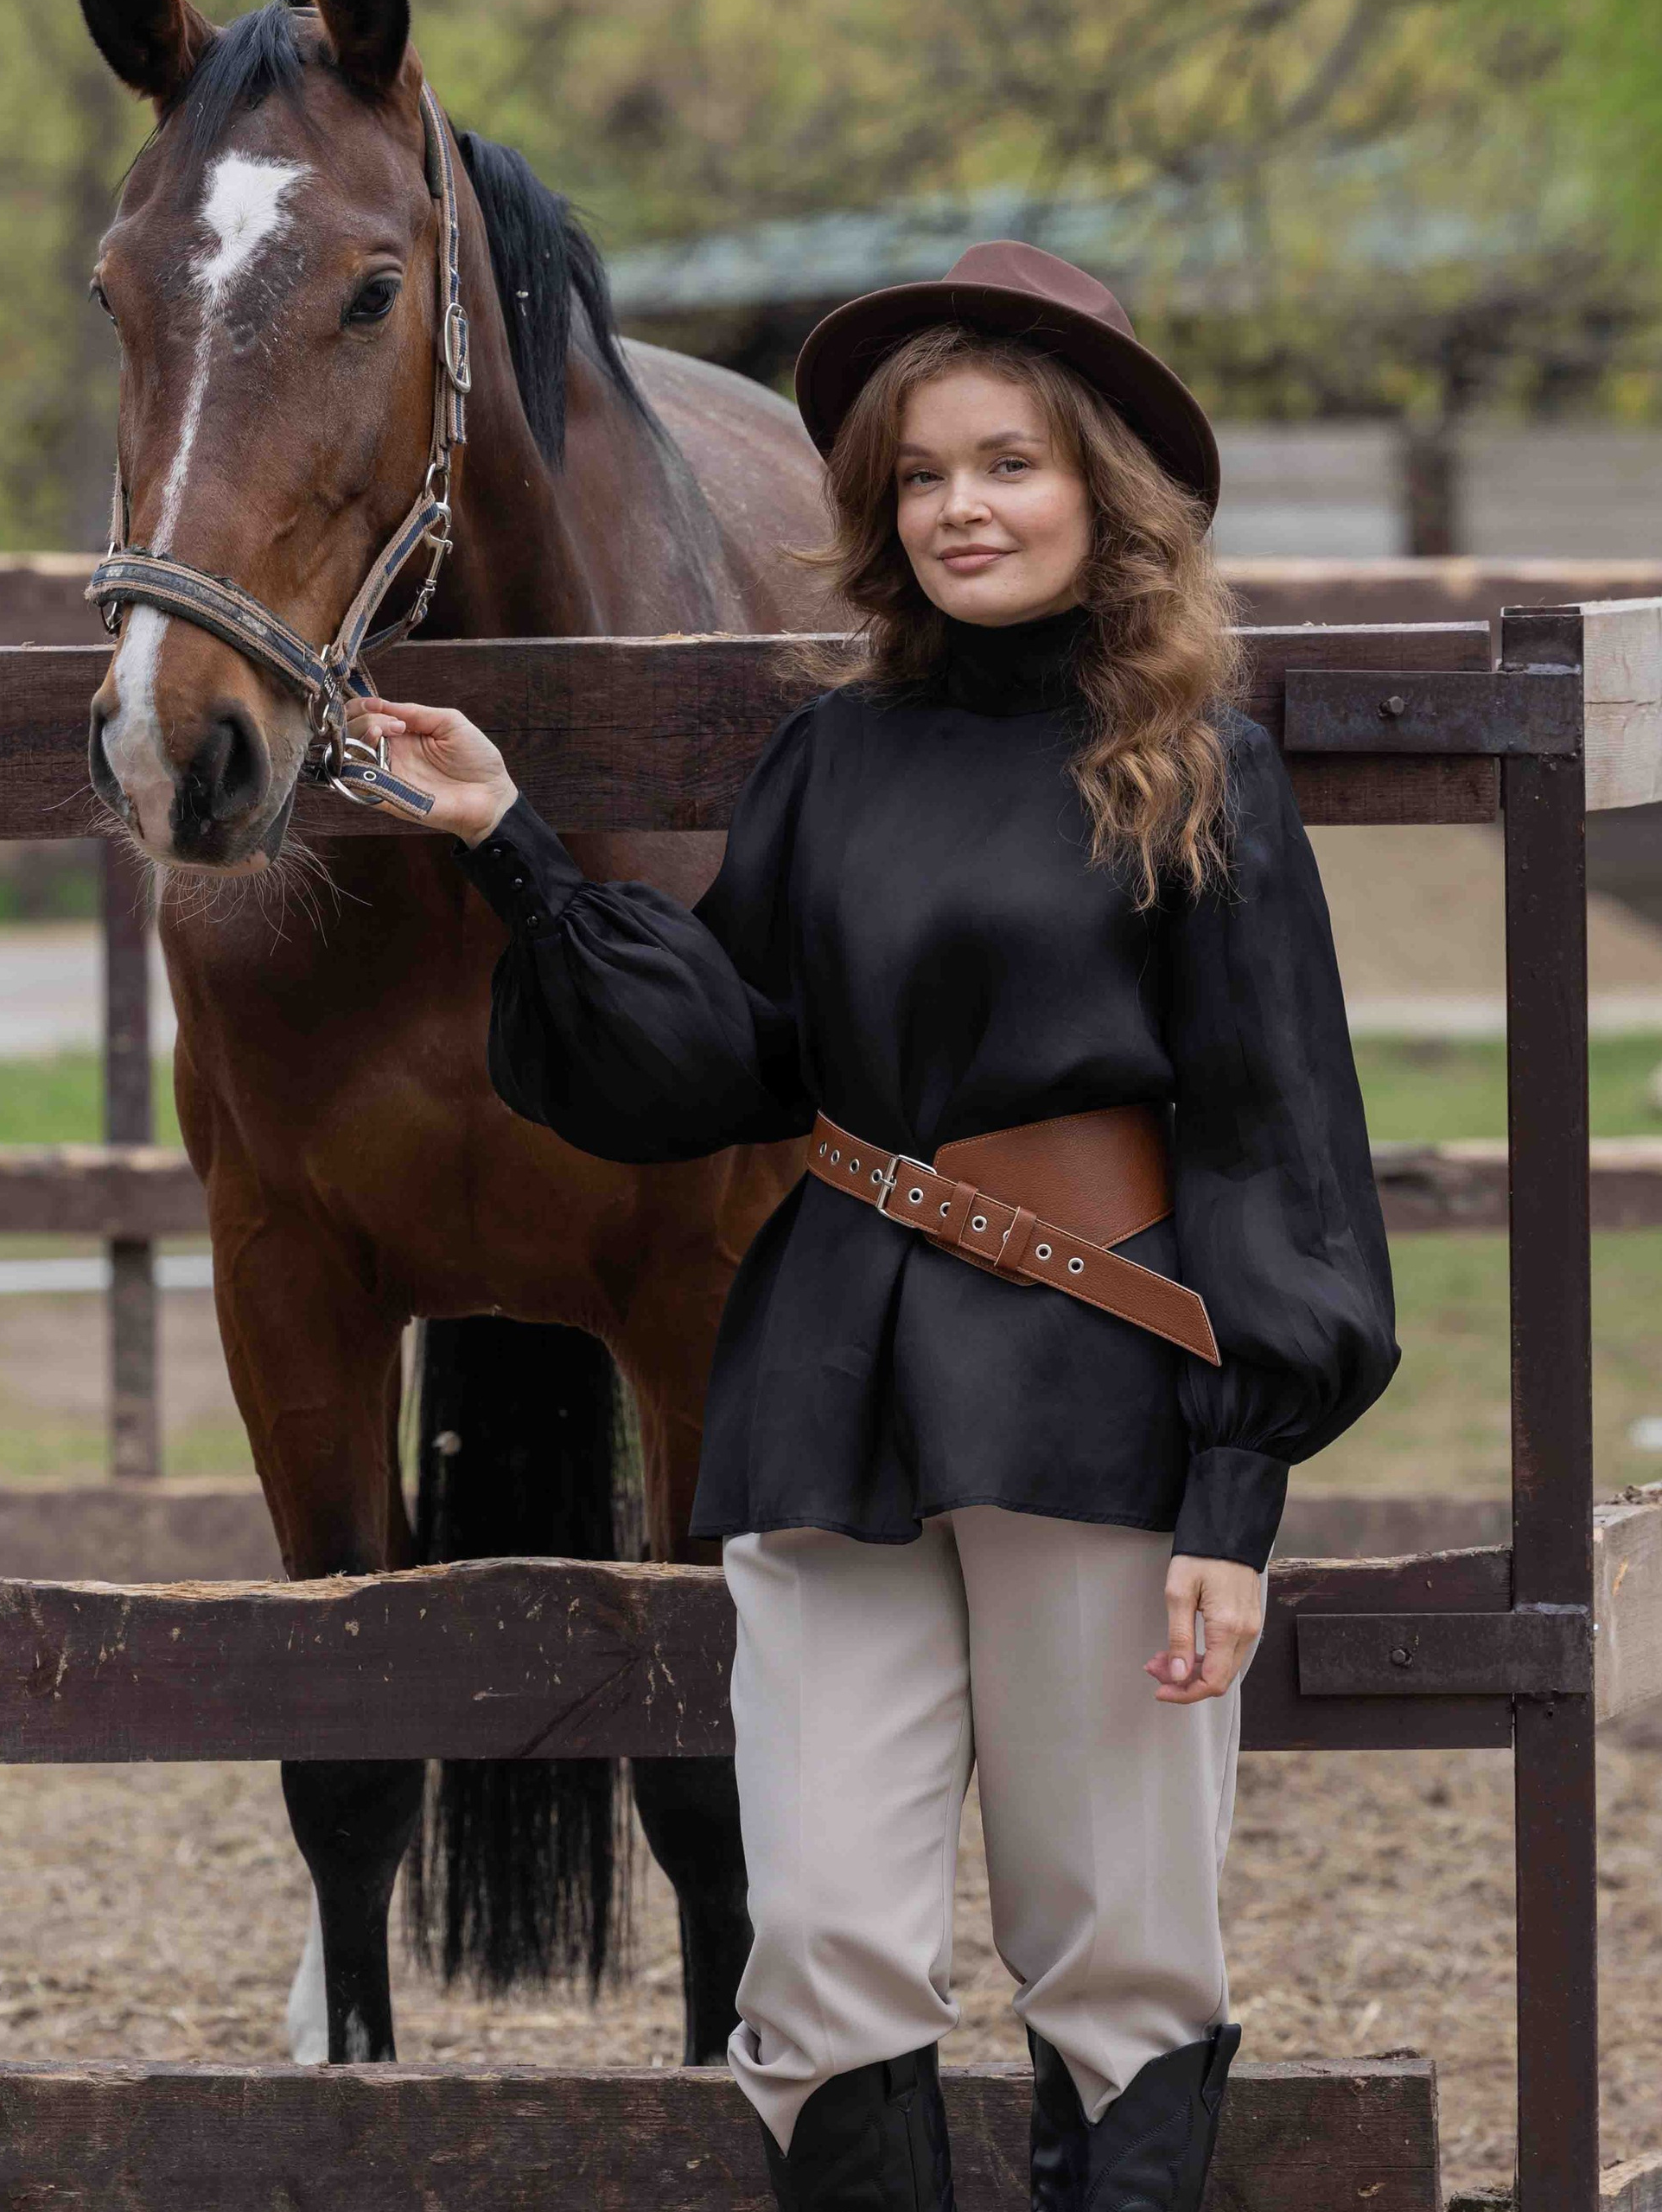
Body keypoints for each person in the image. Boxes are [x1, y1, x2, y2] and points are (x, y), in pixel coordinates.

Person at [344, 242, 1399, 2212]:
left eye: (1006, 464)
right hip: (827, 1384)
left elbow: (1278, 1140)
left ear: (1104, 492)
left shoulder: (1193, 772)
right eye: (920, 477)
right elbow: (718, 1062)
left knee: (1115, 1950)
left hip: (1098, 1398)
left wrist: (1235, 1494)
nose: (959, 509)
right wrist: (516, 853)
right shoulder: (830, 759)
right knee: (820, 1940)